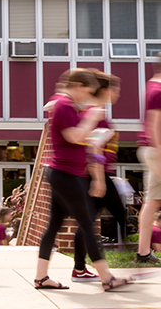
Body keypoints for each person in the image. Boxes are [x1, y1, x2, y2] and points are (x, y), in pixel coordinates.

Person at [36, 69, 132, 292]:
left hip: (62, 173)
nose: (87, 96)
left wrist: (93, 134)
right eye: (86, 92)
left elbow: (81, 138)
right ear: (77, 86)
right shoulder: (65, 104)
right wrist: (91, 118)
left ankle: (41, 277)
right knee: (88, 225)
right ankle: (107, 278)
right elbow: (74, 136)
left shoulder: (64, 104)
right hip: (67, 175)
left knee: (54, 227)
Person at [72, 71, 126, 281]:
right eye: (116, 89)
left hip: (99, 174)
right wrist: (99, 178)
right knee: (120, 215)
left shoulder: (95, 112)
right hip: (98, 174)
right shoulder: (95, 113)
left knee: (88, 222)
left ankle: (79, 268)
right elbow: (93, 148)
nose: (119, 93)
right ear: (105, 90)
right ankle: (140, 251)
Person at [136, 55, 161, 264]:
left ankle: (143, 252)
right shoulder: (158, 90)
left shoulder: (151, 86)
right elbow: (154, 123)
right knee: (151, 202)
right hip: (157, 150)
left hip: (150, 149)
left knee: (151, 202)